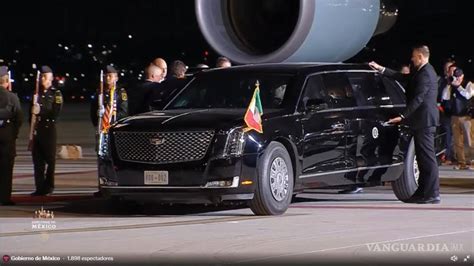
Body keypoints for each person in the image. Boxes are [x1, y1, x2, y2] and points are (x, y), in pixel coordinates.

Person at [369, 45, 440, 204]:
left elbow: (419, 99)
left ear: (421, 56)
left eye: (414, 56)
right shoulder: (420, 72)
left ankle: (432, 194)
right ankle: (422, 191)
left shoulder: (426, 74)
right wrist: (381, 69)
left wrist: (402, 116)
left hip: (425, 121)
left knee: (427, 159)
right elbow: (403, 77)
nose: (412, 59)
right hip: (421, 121)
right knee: (422, 159)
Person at [31, 66, 63, 196]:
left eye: (45, 76)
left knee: (50, 160)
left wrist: (41, 112)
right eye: (41, 76)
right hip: (37, 129)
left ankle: (49, 186)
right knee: (37, 161)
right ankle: (39, 187)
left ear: (50, 78)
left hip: (48, 130)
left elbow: (56, 113)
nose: (42, 79)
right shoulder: (36, 94)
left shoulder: (56, 94)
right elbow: (30, 114)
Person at [442, 68, 473, 170]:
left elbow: (468, 95)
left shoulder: (468, 84)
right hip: (455, 116)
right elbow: (445, 97)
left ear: (463, 75)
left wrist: (458, 86)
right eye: (456, 76)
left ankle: (471, 161)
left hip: (466, 117)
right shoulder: (452, 85)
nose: (457, 78)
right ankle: (461, 163)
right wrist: (448, 85)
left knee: (469, 140)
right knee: (457, 142)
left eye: (459, 76)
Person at [0, 66, 22, 205]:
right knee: (6, 169)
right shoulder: (12, 97)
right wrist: (13, 133)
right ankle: (4, 198)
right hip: (7, 135)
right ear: (6, 82)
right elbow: (19, 118)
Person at [438, 62, 457, 165]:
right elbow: (440, 95)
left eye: (453, 70)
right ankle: (447, 156)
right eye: (448, 70)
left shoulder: (460, 81)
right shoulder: (442, 82)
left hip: (457, 112)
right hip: (444, 111)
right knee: (447, 133)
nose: (450, 72)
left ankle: (461, 157)